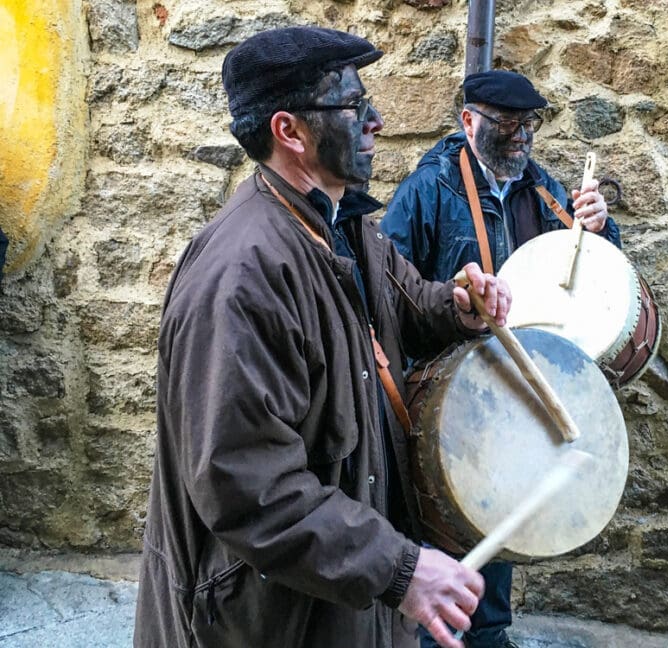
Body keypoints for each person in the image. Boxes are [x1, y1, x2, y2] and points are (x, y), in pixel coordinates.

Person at [133, 27, 513, 648]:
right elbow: (247, 484)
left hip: (335, 601)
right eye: (354, 106)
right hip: (265, 618)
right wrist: (400, 570)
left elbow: (400, 301)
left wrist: (458, 305)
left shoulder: (343, 224)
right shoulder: (242, 275)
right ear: (291, 132)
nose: (377, 121)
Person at [381, 69, 621, 648]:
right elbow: (390, 288)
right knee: (447, 520)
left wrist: (600, 229)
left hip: (520, 385)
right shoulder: (428, 190)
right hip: (447, 396)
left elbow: (595, 281)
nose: (521, 136)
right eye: (507, 124)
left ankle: (486, 635)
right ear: (469, 122)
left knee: (501, 510)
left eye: (529, 124)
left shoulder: (546, 190)